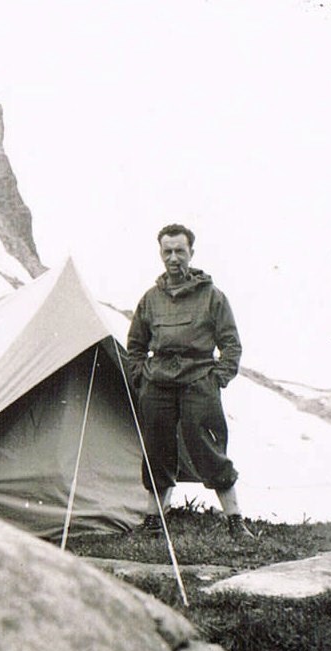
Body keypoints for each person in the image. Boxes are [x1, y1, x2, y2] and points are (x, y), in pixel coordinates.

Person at [127, 223, 254, 541]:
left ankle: (235, 521)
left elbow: (231, 344)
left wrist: (217, 379)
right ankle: (154, 521)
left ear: (191, 253)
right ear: (160, 254)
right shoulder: (150, 299)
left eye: (179, 251)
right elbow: (136, 346)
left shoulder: (212, 296)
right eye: (167, 251)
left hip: (199, 381)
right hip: (158, 385)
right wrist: (141, 378)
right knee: (157, 449)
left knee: (207, 447)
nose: (173, 258)